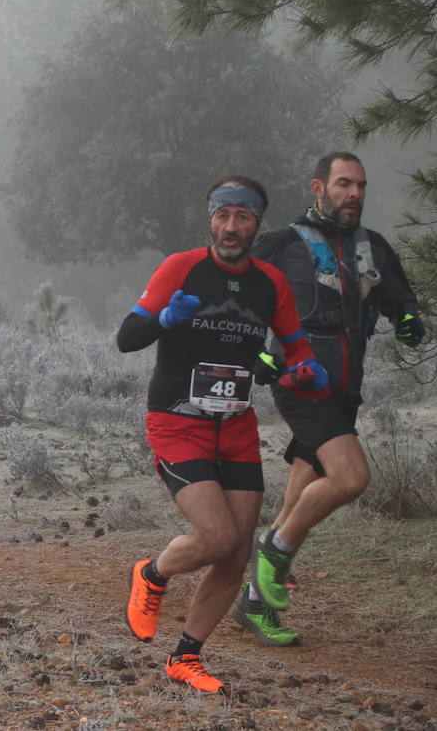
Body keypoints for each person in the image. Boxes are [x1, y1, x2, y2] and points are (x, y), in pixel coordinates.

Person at [118, 176, 328, 694]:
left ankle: (186, 658)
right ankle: (152, 574)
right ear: (210, 218)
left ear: (257, 224)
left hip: (235, 426)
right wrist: (165, 318)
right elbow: (127, 338)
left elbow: (296, 347)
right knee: (217, 539)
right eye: (222, 216)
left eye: (243, 218)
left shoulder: (269, 282)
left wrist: (305, 369)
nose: (231, 227)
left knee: (235, 556)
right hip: (176, 420)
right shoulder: (181, 267)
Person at [237, 152, 423, 644]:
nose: (355, 194)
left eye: (360, 185)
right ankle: (276, 550)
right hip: (300, 380)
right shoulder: (283, 243)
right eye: (344, 184)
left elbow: (398, 295)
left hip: (346, 387)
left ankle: (255, 602)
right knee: (350, 476)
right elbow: (242, 297)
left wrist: (407, 318)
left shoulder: (374, 246)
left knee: (308, 484)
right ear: (318, 188)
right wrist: (262, 351)